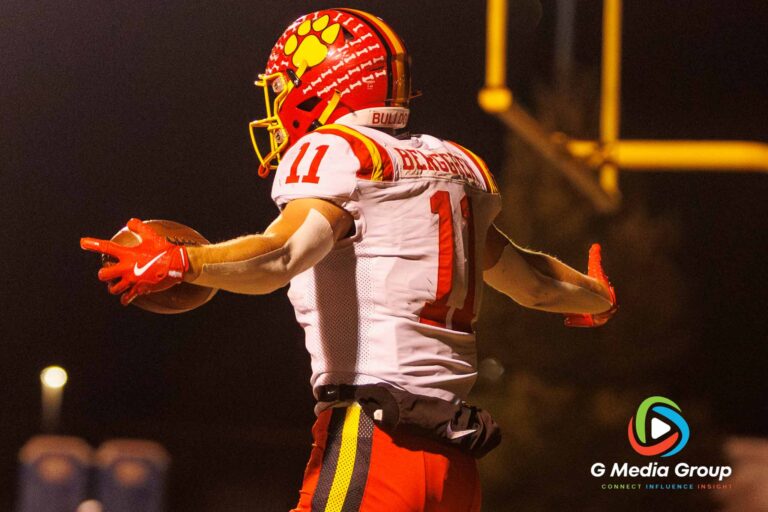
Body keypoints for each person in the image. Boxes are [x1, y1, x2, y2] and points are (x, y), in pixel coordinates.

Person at [81, 8, 616, 511]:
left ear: (326, 83)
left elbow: (283, 253)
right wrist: (595, 297)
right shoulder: (448, 166)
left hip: (374, 436)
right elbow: (535, 284)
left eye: (286, 87)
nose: (278, 103)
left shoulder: (343, 155)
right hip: (454, 462)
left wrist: (185, 262)